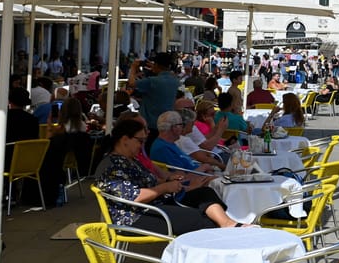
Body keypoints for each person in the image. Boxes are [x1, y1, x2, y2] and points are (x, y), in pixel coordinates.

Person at [95, 119, 242, 234]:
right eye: (140, 141)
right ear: (124, 139)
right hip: (134, 216)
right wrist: (164, 187)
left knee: (205, 193)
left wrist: (167, 180)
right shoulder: (111, 166)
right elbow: (132, 197)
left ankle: (227, 223)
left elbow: (147, 182)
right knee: (199, 219)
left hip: (153, 205)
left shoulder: (130, 159)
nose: (142, 145)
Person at [128, 53, 180, 142]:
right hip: (166, 124)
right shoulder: (175, 80)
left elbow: (131, 83)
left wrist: (133, 68)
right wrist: (155, 67)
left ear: (156, 65)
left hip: (150, 124)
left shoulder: (152, 81)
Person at [149, 111, 222, 172]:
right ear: (174, 128)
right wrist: (204, 168)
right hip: (196, 180)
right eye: (181, 124)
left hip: (199, 174)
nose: (182, 127)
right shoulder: (163, 149)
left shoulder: (169, 143)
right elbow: (180, 176)